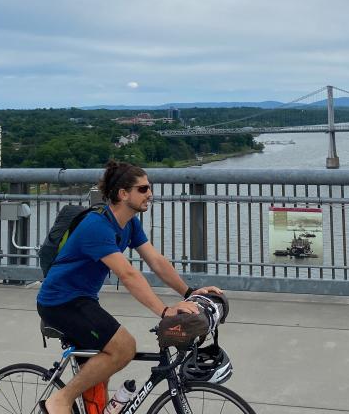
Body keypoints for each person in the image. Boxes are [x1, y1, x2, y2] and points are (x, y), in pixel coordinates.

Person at [36, 160, 222, 414]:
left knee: (101, 369)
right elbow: (128, 273)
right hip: (60, 302)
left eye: (150, 188)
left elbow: (156, 261)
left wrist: (189, 292)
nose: (150, 194)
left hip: (83, 299)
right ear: (123, 194)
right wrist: (165, 311)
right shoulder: (96, 226)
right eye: (143, 189)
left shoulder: (130, 223)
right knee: (123, 347)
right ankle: (61, 399)